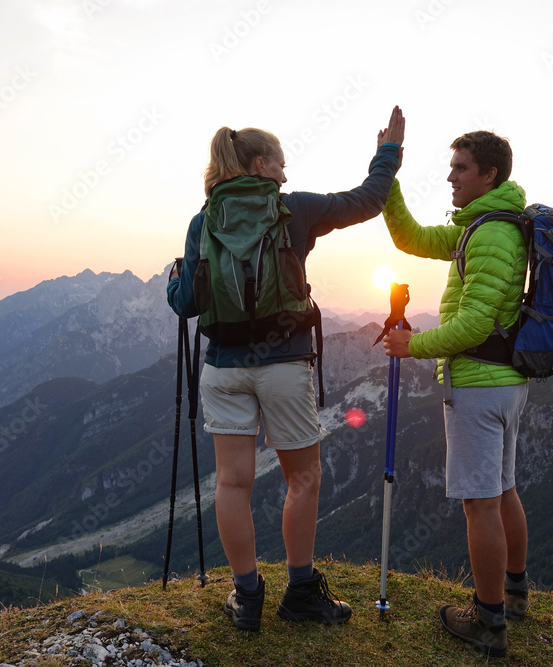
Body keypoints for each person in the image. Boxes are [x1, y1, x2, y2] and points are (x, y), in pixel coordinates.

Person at [168, 106, 405, 631]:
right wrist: (389, 153)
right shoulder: (292, 209)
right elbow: (367, 200)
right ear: (258, 164)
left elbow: (185, 302)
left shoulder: (202, 220)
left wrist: (173, 277)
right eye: (280, 164)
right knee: (304, 477)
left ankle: (246, 596)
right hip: (283, 363)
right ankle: (300, 593)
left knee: (233, 484)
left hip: (222, 367)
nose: (285, 174)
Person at [382, 130, 529, 657]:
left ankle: (488, 622)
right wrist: (389, 172)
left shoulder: (490, 236)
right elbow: (412, 239)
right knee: (503, 489)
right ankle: (513, 595)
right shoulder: (483, 227)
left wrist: (411, 345)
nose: (450, 176)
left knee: (479, 505)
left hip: (479, 386)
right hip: (504, 384)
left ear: (489, 174)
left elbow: (473, 325)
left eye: (460, 168)